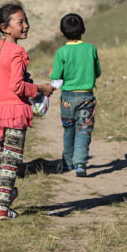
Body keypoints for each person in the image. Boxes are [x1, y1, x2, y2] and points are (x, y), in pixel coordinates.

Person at [0, 2, 54, 220]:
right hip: (13, 112)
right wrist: (40, 89)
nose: (26, 25)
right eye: (21, 22)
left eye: (26, 21)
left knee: (4, 158)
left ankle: (7, 196)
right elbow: (18, 87)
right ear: (5, 27)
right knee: (12, 161)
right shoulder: (18, 52)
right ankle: (2, 207)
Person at [49, 13, 101, 177]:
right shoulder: (91, 49)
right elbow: (97, 72)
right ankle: (80, 164)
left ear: (61, 33)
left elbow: (56, 76)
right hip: (86, 97)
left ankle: (67, 162)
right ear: (83, 30)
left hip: (67, 99)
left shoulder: (61, 52)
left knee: (68, 130)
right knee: (83, 130)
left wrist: (53, 74)